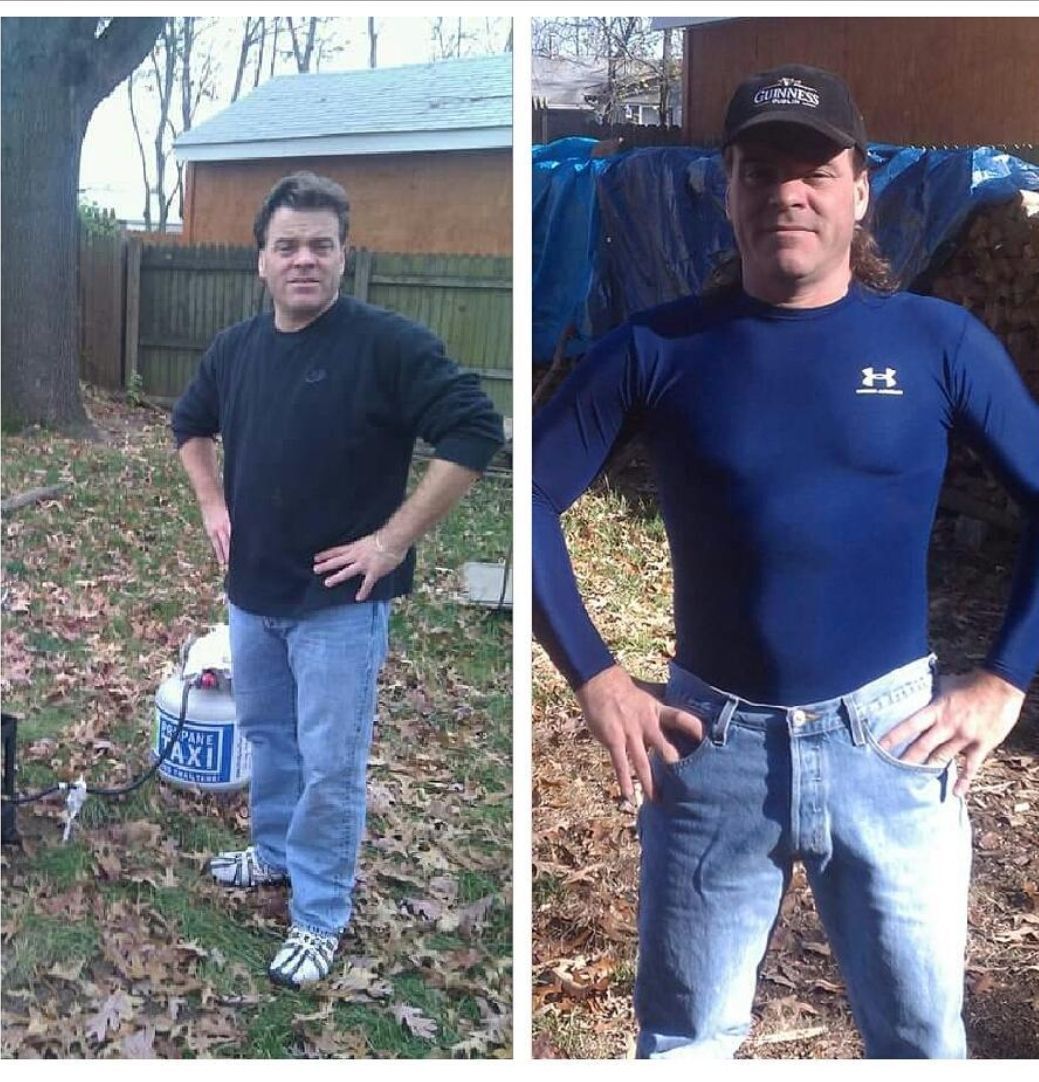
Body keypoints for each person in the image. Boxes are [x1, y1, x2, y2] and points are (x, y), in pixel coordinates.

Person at [533, 64, 1039, 1058]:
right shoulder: (658, 350)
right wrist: (595, 675)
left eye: (813, 168)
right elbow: (533, 498)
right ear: (726, 190)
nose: (786, 193)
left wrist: (1005, 677)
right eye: (758, 169)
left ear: (860, 186)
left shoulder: (936, 342)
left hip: (897, 751)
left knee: (920, 1044)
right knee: (682, 1043)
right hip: (707, 750)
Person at [172, 172, 504, 988]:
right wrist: (214, 502)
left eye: (321, 245)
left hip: (339, 611)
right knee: (272, 742)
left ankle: (319, 914)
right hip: (253, 595)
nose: (304, 260)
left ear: (344, 255)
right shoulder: (237, 350)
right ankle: (276, 854)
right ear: (261, 262)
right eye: (286, 246)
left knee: (331, 765)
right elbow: (188, 424)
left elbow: (474, 430)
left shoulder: (386, 345)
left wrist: (391, 540)